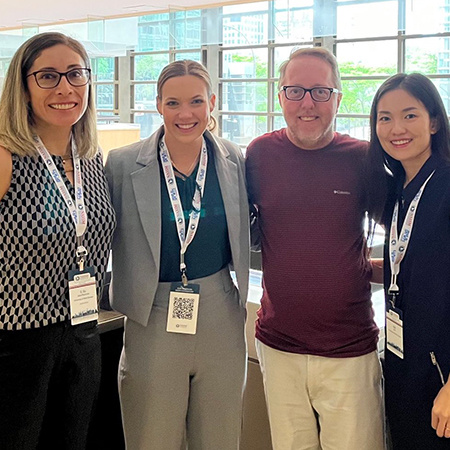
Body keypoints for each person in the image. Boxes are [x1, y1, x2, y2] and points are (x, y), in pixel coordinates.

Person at [105, 59, 250, 449]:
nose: (185, 114)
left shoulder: (236, 160)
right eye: (173, 103)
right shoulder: (120, 164)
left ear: (212, 103)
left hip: (220, 308)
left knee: (219, 436)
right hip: (151, 313)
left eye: (196, 101)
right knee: (151, 435)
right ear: (157, 105)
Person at [245, 46, 384, 450]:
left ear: (338, 98)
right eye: (295, 91)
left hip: (350, 350)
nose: (308, 103)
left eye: (321, 92)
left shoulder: (363, 158)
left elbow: (408, 233)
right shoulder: (259, 154)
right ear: (280, 96)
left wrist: (370, 268)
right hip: (278, 346)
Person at [0, 32, 115, 449]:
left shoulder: (91, 160)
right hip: (17, 338)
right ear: (23, 86)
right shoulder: (6, 157)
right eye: (47, 76)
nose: (65, 88)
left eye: (76, 74)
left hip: (84, 330)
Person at [367, 72, 450, 449]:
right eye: (385, 118)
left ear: (434, 121)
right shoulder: (397, 188)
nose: (396, 128)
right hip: (403, 364)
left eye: (410, 115)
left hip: (441, 376)